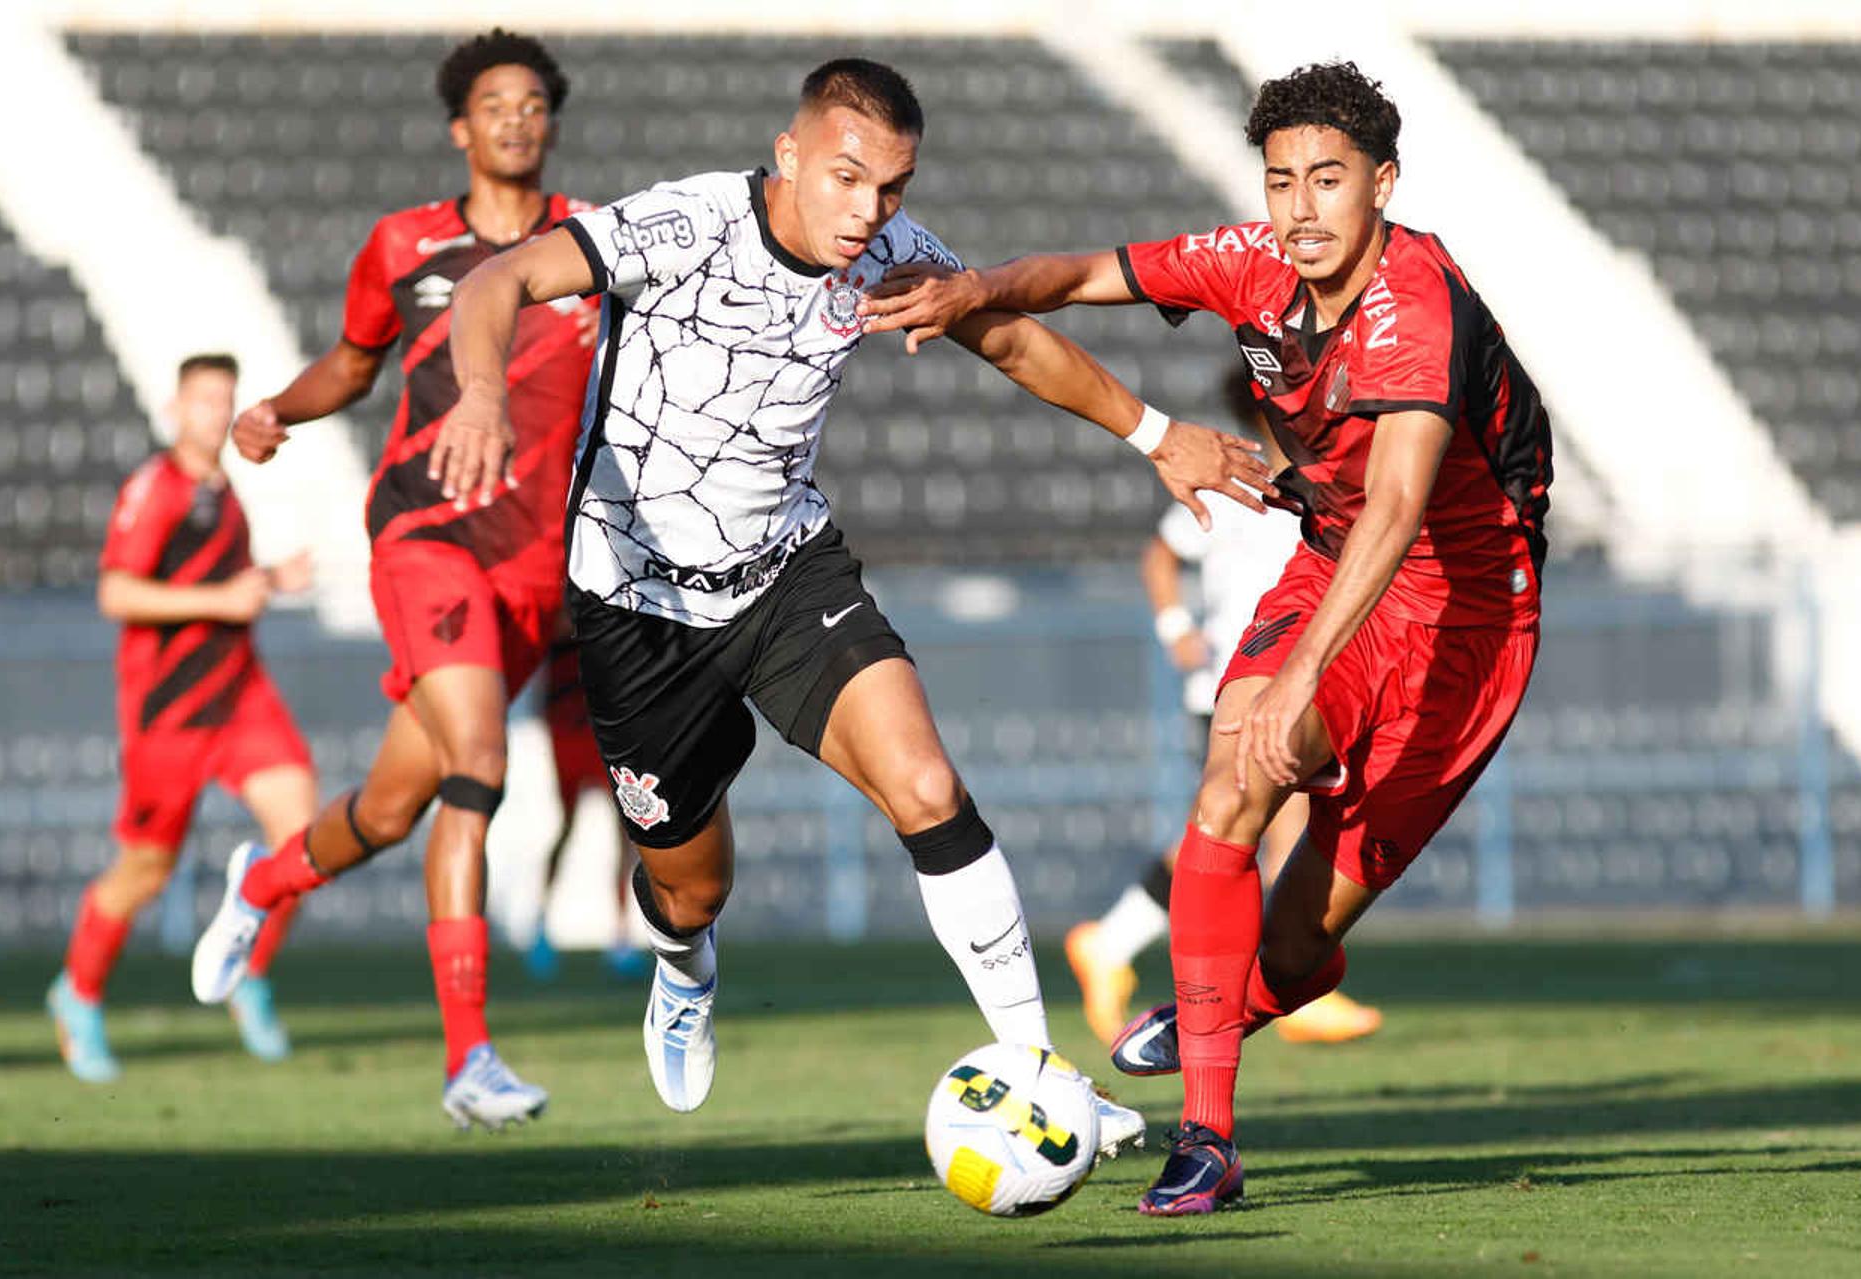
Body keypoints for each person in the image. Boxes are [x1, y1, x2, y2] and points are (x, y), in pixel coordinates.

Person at [423, 57, 1274, 1148]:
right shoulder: (681, 226)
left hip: (787, 578)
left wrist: (1157, 435)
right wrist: (484, 395)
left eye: (893, 187)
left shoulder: (887, 254)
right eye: (846, 177)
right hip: (637, 611)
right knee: (689, 890)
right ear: (789, 157)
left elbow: (1007, 335)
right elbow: (497, 284)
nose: (868, 210)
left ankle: (1043, 1071)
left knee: (926, 782)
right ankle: (684, 969)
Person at [859, 60, 1551, 1215]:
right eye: (1281, 180)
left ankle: (1230, 997)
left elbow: (1397, 507)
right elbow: (1081, 275)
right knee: (1230, 781)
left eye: (1328, 180)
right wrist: (973, 287)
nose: (1300, 207)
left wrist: (1303, 682)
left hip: (1467, 621)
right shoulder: (1251, 261)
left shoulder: (1415, 309)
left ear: (1382, 183)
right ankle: (1210, 1141)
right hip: (1333, 565)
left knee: (1285, 956)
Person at [190, 28, 599, 1130]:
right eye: (494, 104)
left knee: (388, 807)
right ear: (461, 128)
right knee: (479, 762)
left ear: (550, 123)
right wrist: (281, 404)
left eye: (533, 103)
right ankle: (470, 1058)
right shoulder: (403, 244)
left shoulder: (592, 248)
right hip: (427, 537)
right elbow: (355, 362)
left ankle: (265, 882)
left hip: (535, 568)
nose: (516, 119)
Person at [1066, 364, 1381, 1049]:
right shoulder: (1237, 474)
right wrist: (1177, 628)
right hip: (1240, 677)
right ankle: (1286, 988)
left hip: (1291, 676)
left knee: (1234, 822)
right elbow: (1161, 554)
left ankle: (1110, 942)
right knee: (1261, 818)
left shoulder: (1320, 479)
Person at [48, 353, 315, 1082]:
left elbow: (221, 583)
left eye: (225, 400)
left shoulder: (223, 489)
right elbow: (116, 593)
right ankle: (77, 994)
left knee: (303, 839)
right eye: (202, 400)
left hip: (239, 693)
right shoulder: (155, 488)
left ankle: (248, 971)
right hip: (171, 710)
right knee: (145, 869)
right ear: (174, 407)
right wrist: (224, 600)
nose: (213, 413)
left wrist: (267, 581)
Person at [519, 630, 648, 982]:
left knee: (623, 831)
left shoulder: (602, 616)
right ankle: (541, 929)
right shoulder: (559, 624)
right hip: (568, 733)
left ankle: (621, 937)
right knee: (567, 828)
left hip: (602, 731)